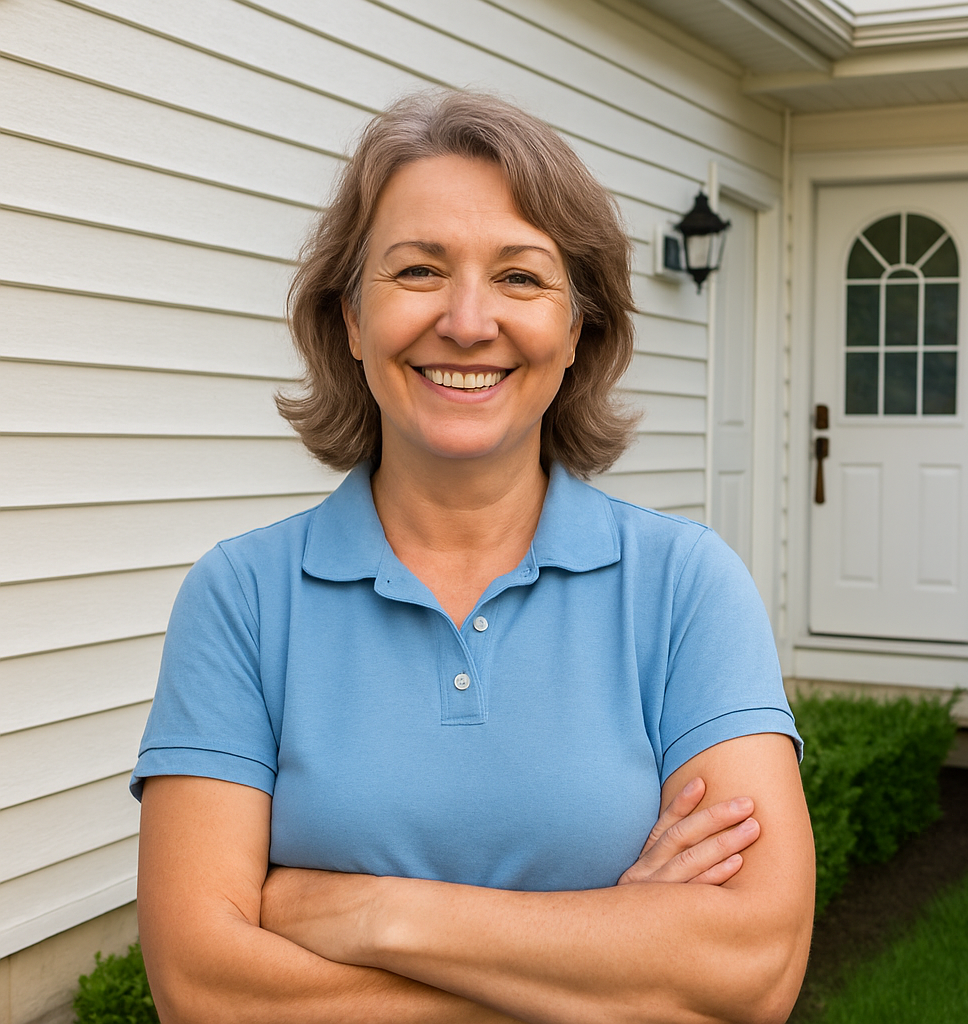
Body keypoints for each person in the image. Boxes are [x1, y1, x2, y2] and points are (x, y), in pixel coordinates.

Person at [131, 91, 814, 1024]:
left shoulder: (686, 588)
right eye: (417, 270)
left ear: (577, 331)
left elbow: (756, 968)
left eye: (521, 279)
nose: (465, 319)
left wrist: (368, 913)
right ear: (349, 321)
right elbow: (204, 988)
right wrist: (615, 957)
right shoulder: (243, 599)